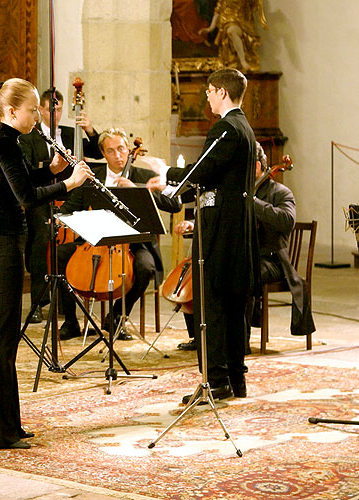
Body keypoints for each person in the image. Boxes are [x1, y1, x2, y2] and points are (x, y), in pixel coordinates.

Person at [0, 78, 92, 449]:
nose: (38, 115)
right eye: (32, 109)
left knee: (7, 336)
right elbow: (25, 196)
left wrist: (55, 171)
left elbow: (22, 181)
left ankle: (7, 424)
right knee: (0, 335)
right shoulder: (3, 143)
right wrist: (69, 184)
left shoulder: (7, 142)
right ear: (11, 111)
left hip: (4, 243)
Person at [150, 68, 259, 403]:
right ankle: (235, 379)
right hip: (236, 224)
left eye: (210, 92)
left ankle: (215, 381)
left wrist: (164, 172)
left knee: (210, 304)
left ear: (221, 92)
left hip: (220, 227)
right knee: (232, 303)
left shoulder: (225, 128)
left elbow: (201, 172)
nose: (208, 98)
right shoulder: (246, 128)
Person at [176, 142, 315, 357]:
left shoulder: (281, 192)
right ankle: (202, 336)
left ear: (257, 166)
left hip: (271, 261)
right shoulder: (236, 192)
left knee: (242, 273)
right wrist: (194, 225)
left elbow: (286, 221)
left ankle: (240, 343)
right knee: (202, 270)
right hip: (241, 255)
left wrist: (252, 202)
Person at [57, 128, 182, 341]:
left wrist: (141, 192)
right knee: (59, 256)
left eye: (122, 149)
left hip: (135, 244)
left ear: (128, 150)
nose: (118, 156)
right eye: (111, 151)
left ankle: (116, 316)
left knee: (145, 268)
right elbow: (70, 206)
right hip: (95, 241)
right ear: (103, 154)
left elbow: (175, 204)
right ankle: (71, 321)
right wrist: (59, 216)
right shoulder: (91, 178)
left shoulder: (144, 177)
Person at [18, 89, 103, 322]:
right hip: (43, 197)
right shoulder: (28, 136)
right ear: (41, 111)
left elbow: (97, 153)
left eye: (59, 108)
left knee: (77, 241)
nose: (55, 112)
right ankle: (37, 302)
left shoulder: (69, 132)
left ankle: (68, 299)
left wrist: (90, 131)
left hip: (73, 197)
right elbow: (28, 171)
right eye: (50, 109)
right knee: (41, 239)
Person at [200, 0, 268, 72]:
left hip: (242, 23)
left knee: (232, 31)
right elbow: (218, 11)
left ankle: (242, 60)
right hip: (226, 23)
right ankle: (241, 61)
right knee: (231, 31)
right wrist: (210, 28)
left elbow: (254, 4)